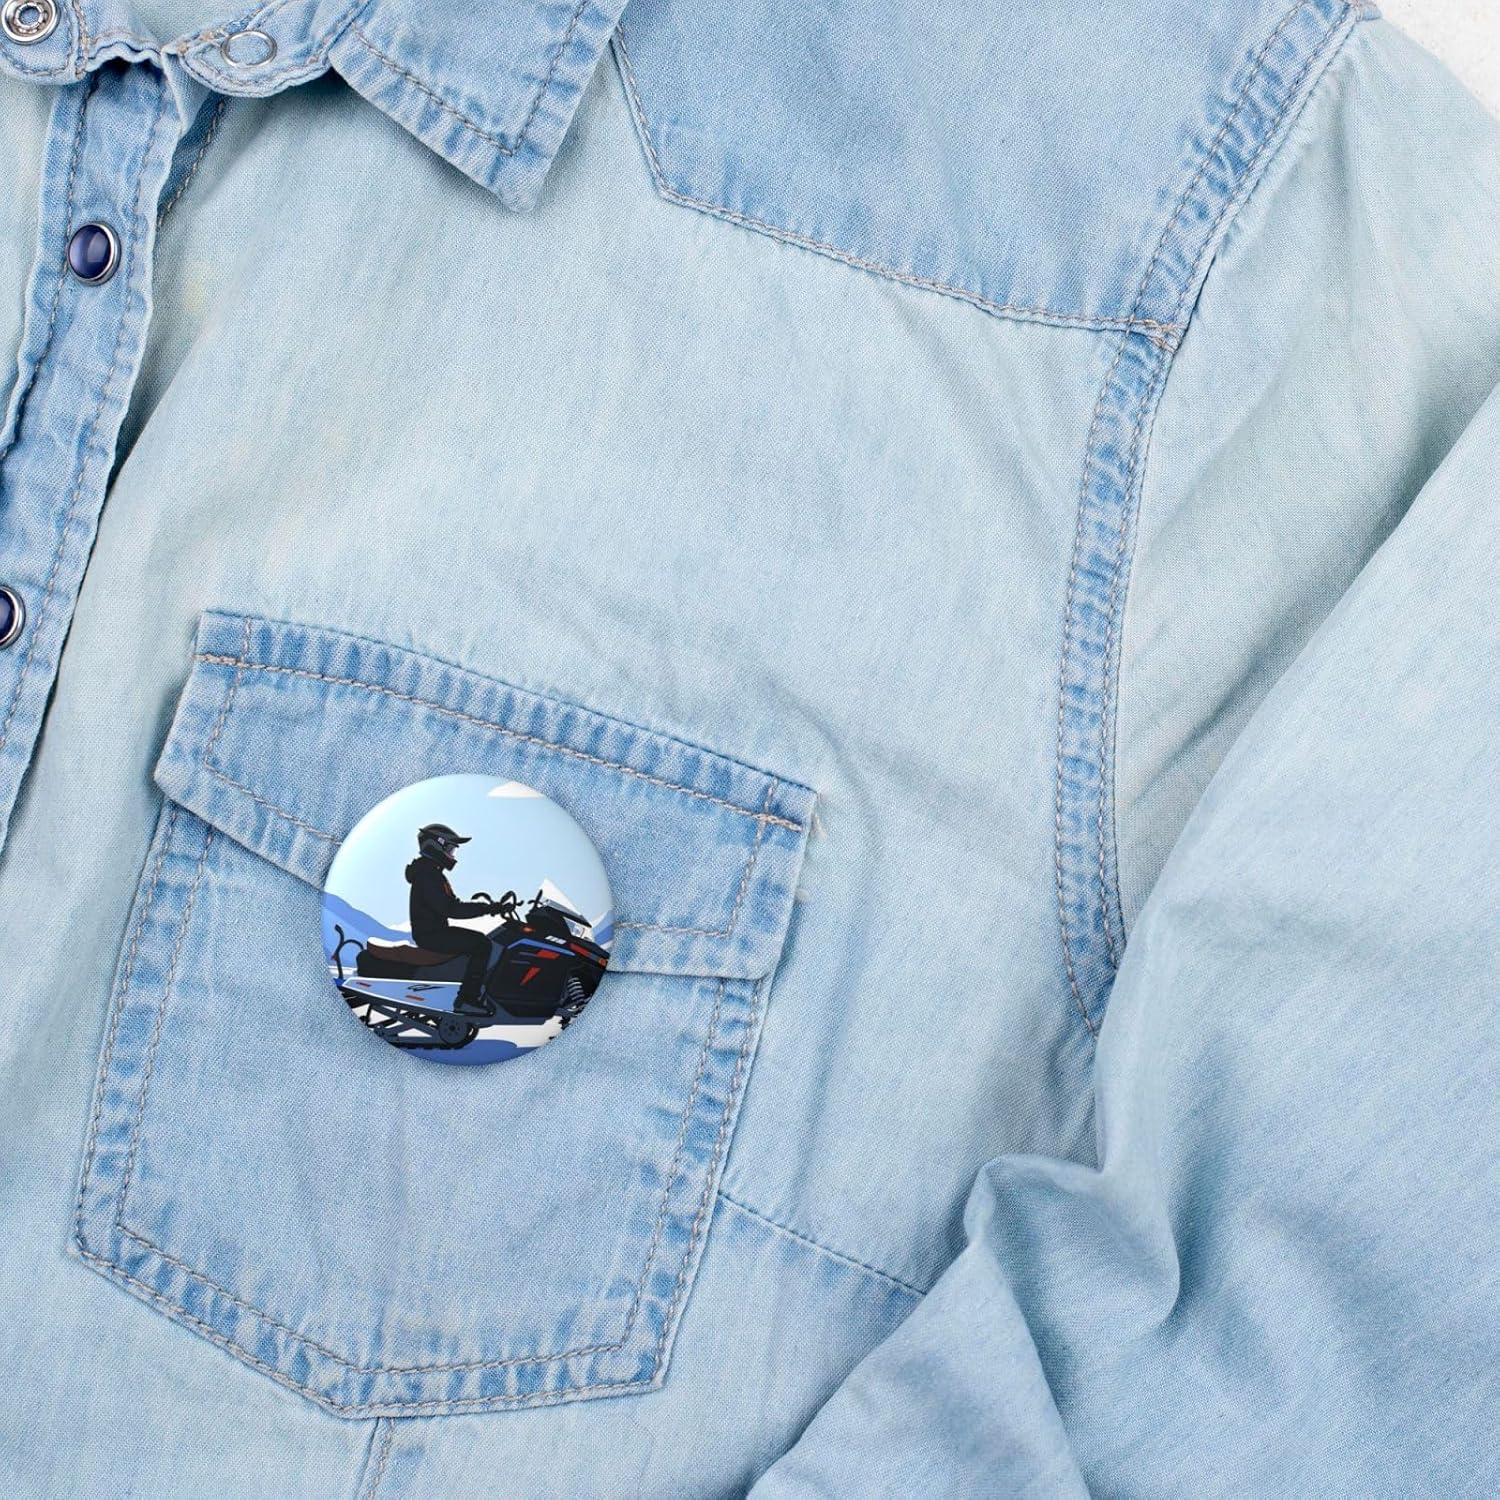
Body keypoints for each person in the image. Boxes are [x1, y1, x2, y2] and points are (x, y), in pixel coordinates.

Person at [405, 823, 503, 1017]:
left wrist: (489, 908)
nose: (452, 855)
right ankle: (467, 999)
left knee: (479, 940)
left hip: (433, 932)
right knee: (481, 944)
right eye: (450, 849)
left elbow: (451, 904)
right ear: (436, 845)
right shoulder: (428, 874)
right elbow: (450, 908)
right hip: (431, 935)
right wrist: (487, 909)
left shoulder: (432, 872)